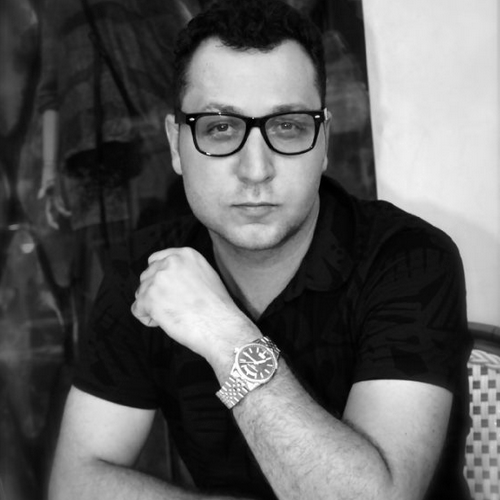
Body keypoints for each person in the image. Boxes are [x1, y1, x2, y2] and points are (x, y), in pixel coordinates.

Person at [48, 1, 472, 499]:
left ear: (324, 140)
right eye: (219, 128)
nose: (255, 170)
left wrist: (225, 335)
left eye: (287, 126)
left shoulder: (409, 258)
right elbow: (75, 483)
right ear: (175, 145)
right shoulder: (147, 270)